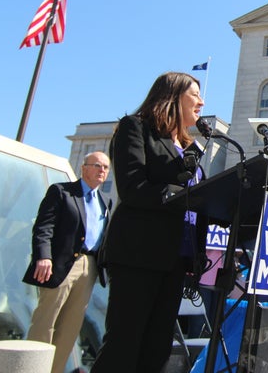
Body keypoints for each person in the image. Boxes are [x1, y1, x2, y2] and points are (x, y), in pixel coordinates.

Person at [91, 72, 209, 372]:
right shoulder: (136, 128)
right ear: (173, 95)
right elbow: (133, 188)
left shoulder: (191, 148)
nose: (201, 101)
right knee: (124, 345)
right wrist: (183, 195)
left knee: (157, 350)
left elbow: (202, 201)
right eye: (194, 94)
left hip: (175, 261)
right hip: (138, 254)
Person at [23, 151, 111, 373]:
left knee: (71, 327)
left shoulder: (106, 201)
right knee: (46, 321)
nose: (102, 171)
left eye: (106, 168)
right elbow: (44, 227)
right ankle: (32, 369)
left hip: (89, 267)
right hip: (61, 263)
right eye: (97, 166)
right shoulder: (61, 192)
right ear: (84, 168)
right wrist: (43, 256)